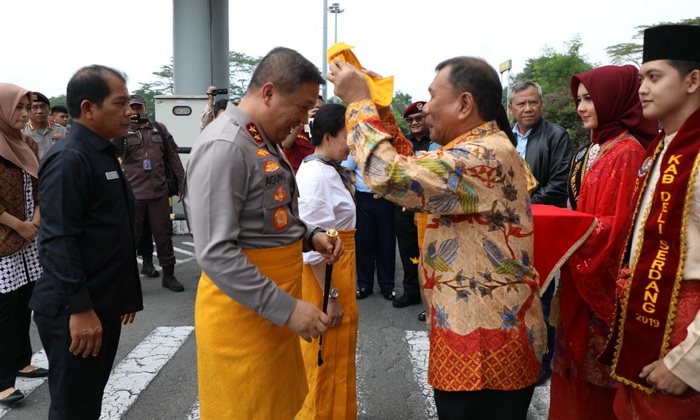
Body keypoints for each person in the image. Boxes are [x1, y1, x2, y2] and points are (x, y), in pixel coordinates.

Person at [328, 56, 546, 420]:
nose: (425, 107)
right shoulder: (478, 148)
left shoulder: (483, 155)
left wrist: (358, 103)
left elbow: (390, 175)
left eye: (431, 96)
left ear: (464, 103)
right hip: (477, 335)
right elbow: (412, 163)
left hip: (484, 350)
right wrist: (381, 109)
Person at [184, 47, 343, 420]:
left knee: (278, 408)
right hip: (246, 318)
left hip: (269, 313)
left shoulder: (258, 137)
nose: (304, 120)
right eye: (301, 108)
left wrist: (309, 233)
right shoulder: (225, 146)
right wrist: (287, 310)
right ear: (268, 92)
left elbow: (269, 215)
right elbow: (216, 252)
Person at [28, 65, 143, 419]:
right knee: (73, 407)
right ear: (88, 108)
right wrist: (80, 310)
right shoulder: (70, 158)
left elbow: (111, 231)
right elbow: (58, 241)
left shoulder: (100, 152)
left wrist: (124, 295)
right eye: (120, 102)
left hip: (101, 303)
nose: (130, 111)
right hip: (75, 312)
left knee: (87, 399)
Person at [548, 65, 658, 419]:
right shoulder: (592, 148)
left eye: (590, 99)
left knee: (597, 390)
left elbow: (621, 227)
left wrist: (567, 231)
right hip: (577, 272)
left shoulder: (626, 152)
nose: (581, 108)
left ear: (613, 100)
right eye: (578, 100)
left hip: (601, 280)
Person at [601, 25, 700, 419]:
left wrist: (689, 362)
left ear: (693, 80)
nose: (642, 89)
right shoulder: (663, 147)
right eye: (641, 78)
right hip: (648, 320)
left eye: (654, 77)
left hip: (685, 332)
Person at [296, 103, 358, 419]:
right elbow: (313, 248)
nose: (353, 144)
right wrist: (329, 298)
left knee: (337, 356)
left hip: (338, 274)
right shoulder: (316, 176)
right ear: (330, 135)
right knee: (323, 360)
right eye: (350, 136)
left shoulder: (326, 169)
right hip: (328, 280)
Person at [508, 81, 573, 384]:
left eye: (533, 102)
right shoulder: (503, 137)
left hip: (540, 225)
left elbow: (559, 184)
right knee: (511, 291)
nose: (528, 108)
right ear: (511, 108)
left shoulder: (556, 136)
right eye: (521, 104)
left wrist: (520, 205)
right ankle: (516, 352)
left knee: (541, 293)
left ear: (541, 104)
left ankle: (542, 360)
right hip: (507, 229)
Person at [0, 83, 45, 406]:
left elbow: (42, 183)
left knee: (23, 305)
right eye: (18, 108)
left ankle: (21, 360)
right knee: (2, 312)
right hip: (4, 240)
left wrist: (36, 220)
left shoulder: (26, 141)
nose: (25, 114)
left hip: (30, 239)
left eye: (27, 107)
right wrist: (19, 225)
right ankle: (2, 381)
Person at [113, 94, 186, 292]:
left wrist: (182, 184)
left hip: (159, 194)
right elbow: (112, 151)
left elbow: (173, 157)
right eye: (132, 108)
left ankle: (169, 275)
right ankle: (127, 281)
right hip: (133, 195)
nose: (136, 112)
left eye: (139, 108)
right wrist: (123, 126)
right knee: (131, 238)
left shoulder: (159, 129)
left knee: (164, 235)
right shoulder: (122, 130)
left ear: (145, 108)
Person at [393, 101, 430, 312]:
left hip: (428, 209)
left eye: (419, 118)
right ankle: (411, 291)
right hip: (404, 207)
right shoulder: (402, 144)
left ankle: (429, 299)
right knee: (407, 250)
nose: (414, 122)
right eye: (410, 120)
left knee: (428, 253)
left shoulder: (436, 143)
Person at [282, 95, 325, 173]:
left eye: (319, 109)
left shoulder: (326, 134)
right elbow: (286, 144)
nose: (315, 111)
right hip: (294, 177)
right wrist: (303, 120)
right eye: (312, 108)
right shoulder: (295, 127)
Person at [22, 92, 68, 159]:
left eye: (43, 107)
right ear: (27, 110)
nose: (39, 111)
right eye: (34, 107)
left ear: (49, 110)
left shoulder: (62, 131)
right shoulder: (21, 132)